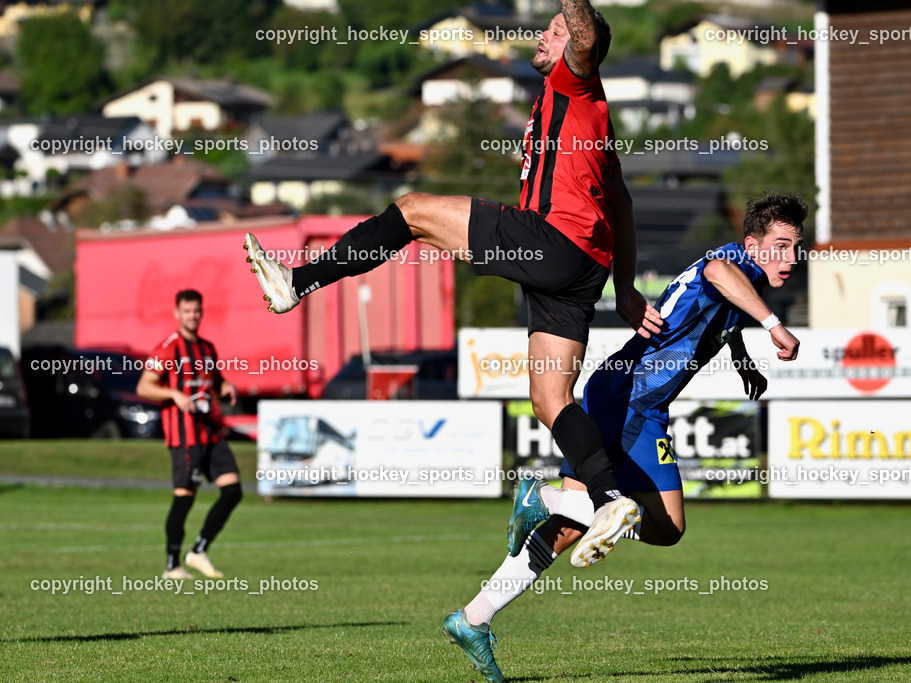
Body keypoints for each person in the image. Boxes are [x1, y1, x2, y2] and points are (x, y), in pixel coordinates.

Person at [244, 2, 661, 563]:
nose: (545, 34)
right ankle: (609, 500)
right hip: (584, 270)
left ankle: (297, 281)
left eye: (555, 30)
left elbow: (586, 35)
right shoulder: (593, 115)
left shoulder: (575, 80)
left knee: (413, 211)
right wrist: (626, 287)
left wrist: (574, 17)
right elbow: (623, 204)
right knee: (550, 399)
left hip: (554, 242)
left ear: (575, 48)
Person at [442, 192, 806, 682]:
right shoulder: (735, 264)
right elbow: (720, 276)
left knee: (575, 528)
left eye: (796, 247)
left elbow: (721, 306)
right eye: (781, 245)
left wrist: (741, 354)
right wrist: (774, 325)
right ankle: (543, 496)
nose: (791, 258)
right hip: (631, 400)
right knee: (666, 526)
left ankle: (473, 618)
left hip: (628, 396)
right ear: (752, 244)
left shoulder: (749, 275)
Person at [137, 289, 242, 580]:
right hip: (185, 437)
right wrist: (173, 393)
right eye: (187, 311)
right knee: (184, 498)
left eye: (196, 311)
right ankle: (172, 565)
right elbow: (144, 386)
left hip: (211, 433)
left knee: (233, 491)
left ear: (201, 312)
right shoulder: (168, 348)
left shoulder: (207, 348)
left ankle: (198, 551)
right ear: (177, 313)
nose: (192, 316)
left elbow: (215, 381)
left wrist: (226, 386)